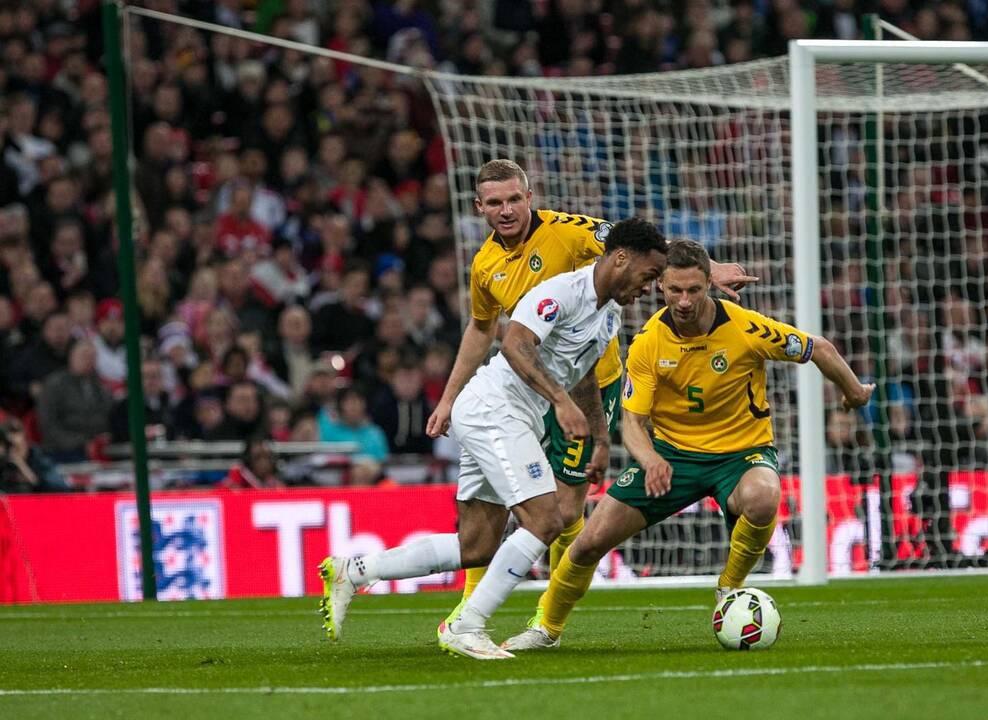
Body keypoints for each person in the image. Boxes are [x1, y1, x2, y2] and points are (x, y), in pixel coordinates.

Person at [423, 159, 757, 632]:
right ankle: (470, 610)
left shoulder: (569, 231)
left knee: (564, 509)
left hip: (588, 386)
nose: (506, 210)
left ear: (530, 196)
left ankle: (548, 619)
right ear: (480, 207)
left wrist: (705, 265)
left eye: (514, 198)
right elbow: (481, 330)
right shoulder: (485, 265)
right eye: (495, 202)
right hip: (525, 389)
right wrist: (448, 397)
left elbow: (638, 244)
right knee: (505, 508)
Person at [319, 217, 669, 659]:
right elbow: (514, 345)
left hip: (510, 419)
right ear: (621, 258)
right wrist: (560, 403)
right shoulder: (559, 293)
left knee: (476, 545)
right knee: (546, 520)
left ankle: (354, 570)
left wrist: (599, 439)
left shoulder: (609, 315)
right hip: (493, 412)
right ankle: (465, 626)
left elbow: (584, 380)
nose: (649, 287)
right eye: (650, 274)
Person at [501, 240, 874, 651]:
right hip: (672, 456)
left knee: (765, 496)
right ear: (660, 285)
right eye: (674, 290)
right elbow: (634, 424)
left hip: (741, 455)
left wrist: (853, 391)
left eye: (693, 290)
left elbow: (817, 348)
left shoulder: (746, 329)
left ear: (708, 285)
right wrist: (651, 460)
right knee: (589, 542)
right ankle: (546, 628)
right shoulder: (648, 343)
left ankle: (728, 589)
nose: (683, 301)